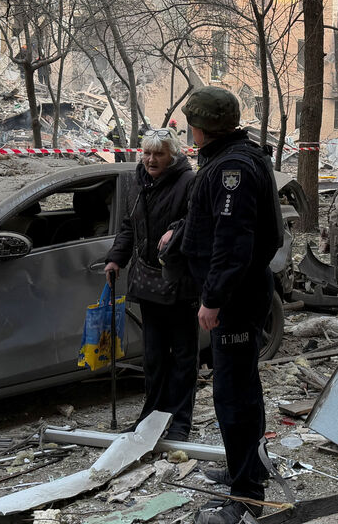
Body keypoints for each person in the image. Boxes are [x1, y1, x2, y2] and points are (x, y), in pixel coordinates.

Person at [173, 86, 282, 524]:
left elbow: (233, 241)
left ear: (203, 127)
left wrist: (214, 298)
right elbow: (216, 222)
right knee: (241, 388)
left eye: (191, 122)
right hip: (242, 293)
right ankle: (247, 468)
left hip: (235, 299)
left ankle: (246, 498)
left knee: (232, 396)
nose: (188, 129)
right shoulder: (235, 157)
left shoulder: (231, 167)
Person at [103, 130, 197, 441]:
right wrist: (116, 258)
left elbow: (198, 223)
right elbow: (129, 225)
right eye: (147, 153)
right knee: (154, 354)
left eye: (159, 154)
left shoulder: (188, 181)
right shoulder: (137, 180)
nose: (151, 159)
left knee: (183, 353)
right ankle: (152, 415)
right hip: (146, 278)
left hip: (179, 279)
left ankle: (181, 421)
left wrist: (177, 230)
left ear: (173, 156)